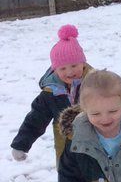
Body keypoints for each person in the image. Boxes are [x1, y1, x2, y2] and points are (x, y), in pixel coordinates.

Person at [11, 24, 94, 163]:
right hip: (66, 155)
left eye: (74, 65)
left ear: (83, 63)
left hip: (97, 151)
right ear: (54, 69)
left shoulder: (97, 84)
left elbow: (117, 104)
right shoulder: (50, 94)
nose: (69, 72)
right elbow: (35, 120)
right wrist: (21, 144)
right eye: (62, 68)